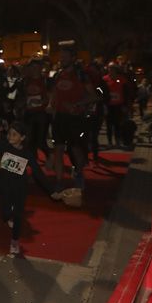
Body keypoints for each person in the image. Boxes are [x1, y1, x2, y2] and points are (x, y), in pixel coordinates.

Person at [0, 118, 55, 257]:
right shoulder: (4, 148)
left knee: (18, 215)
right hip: (5, 187)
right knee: (5, 213)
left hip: (20, 188)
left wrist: (52, 191)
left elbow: (38, 173)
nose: (10, 137)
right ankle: (9, 217)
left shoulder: (27, 154)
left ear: (22, 137)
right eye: (9, 134)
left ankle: (14, 241)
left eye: (14, 134)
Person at [48, 46, 98, 200]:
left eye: (65, 56)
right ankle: (59, 181)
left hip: (76, 118)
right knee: (58, 149)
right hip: (59, 118)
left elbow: (94, 96)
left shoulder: (81, 74)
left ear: (72, 58)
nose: (61, 59)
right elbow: (55, 93)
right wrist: (51, 105)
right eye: (60, 56)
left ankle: (78, 174)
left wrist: (77, 105)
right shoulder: (57, 74)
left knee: (76, 148)